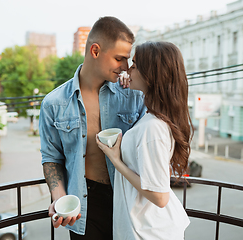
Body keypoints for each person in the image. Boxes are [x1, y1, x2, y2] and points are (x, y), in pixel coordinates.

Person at [39, 16, 146, 239]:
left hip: (129, 200)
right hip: (87, 205)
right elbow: (51, 158)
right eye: (120, 58)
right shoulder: (54, 103)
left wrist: (140, 86)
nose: (125, 67)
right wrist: (59, 197)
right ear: (95, 51)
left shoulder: (134, 95)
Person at [96, 41, 193, 239]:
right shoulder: (153, 118)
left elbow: (159, 196)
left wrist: (116, 160)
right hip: (146, 227)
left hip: (150, 232)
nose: (127, 69)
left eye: (135, 65)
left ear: (151, 75)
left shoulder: (153, 127)